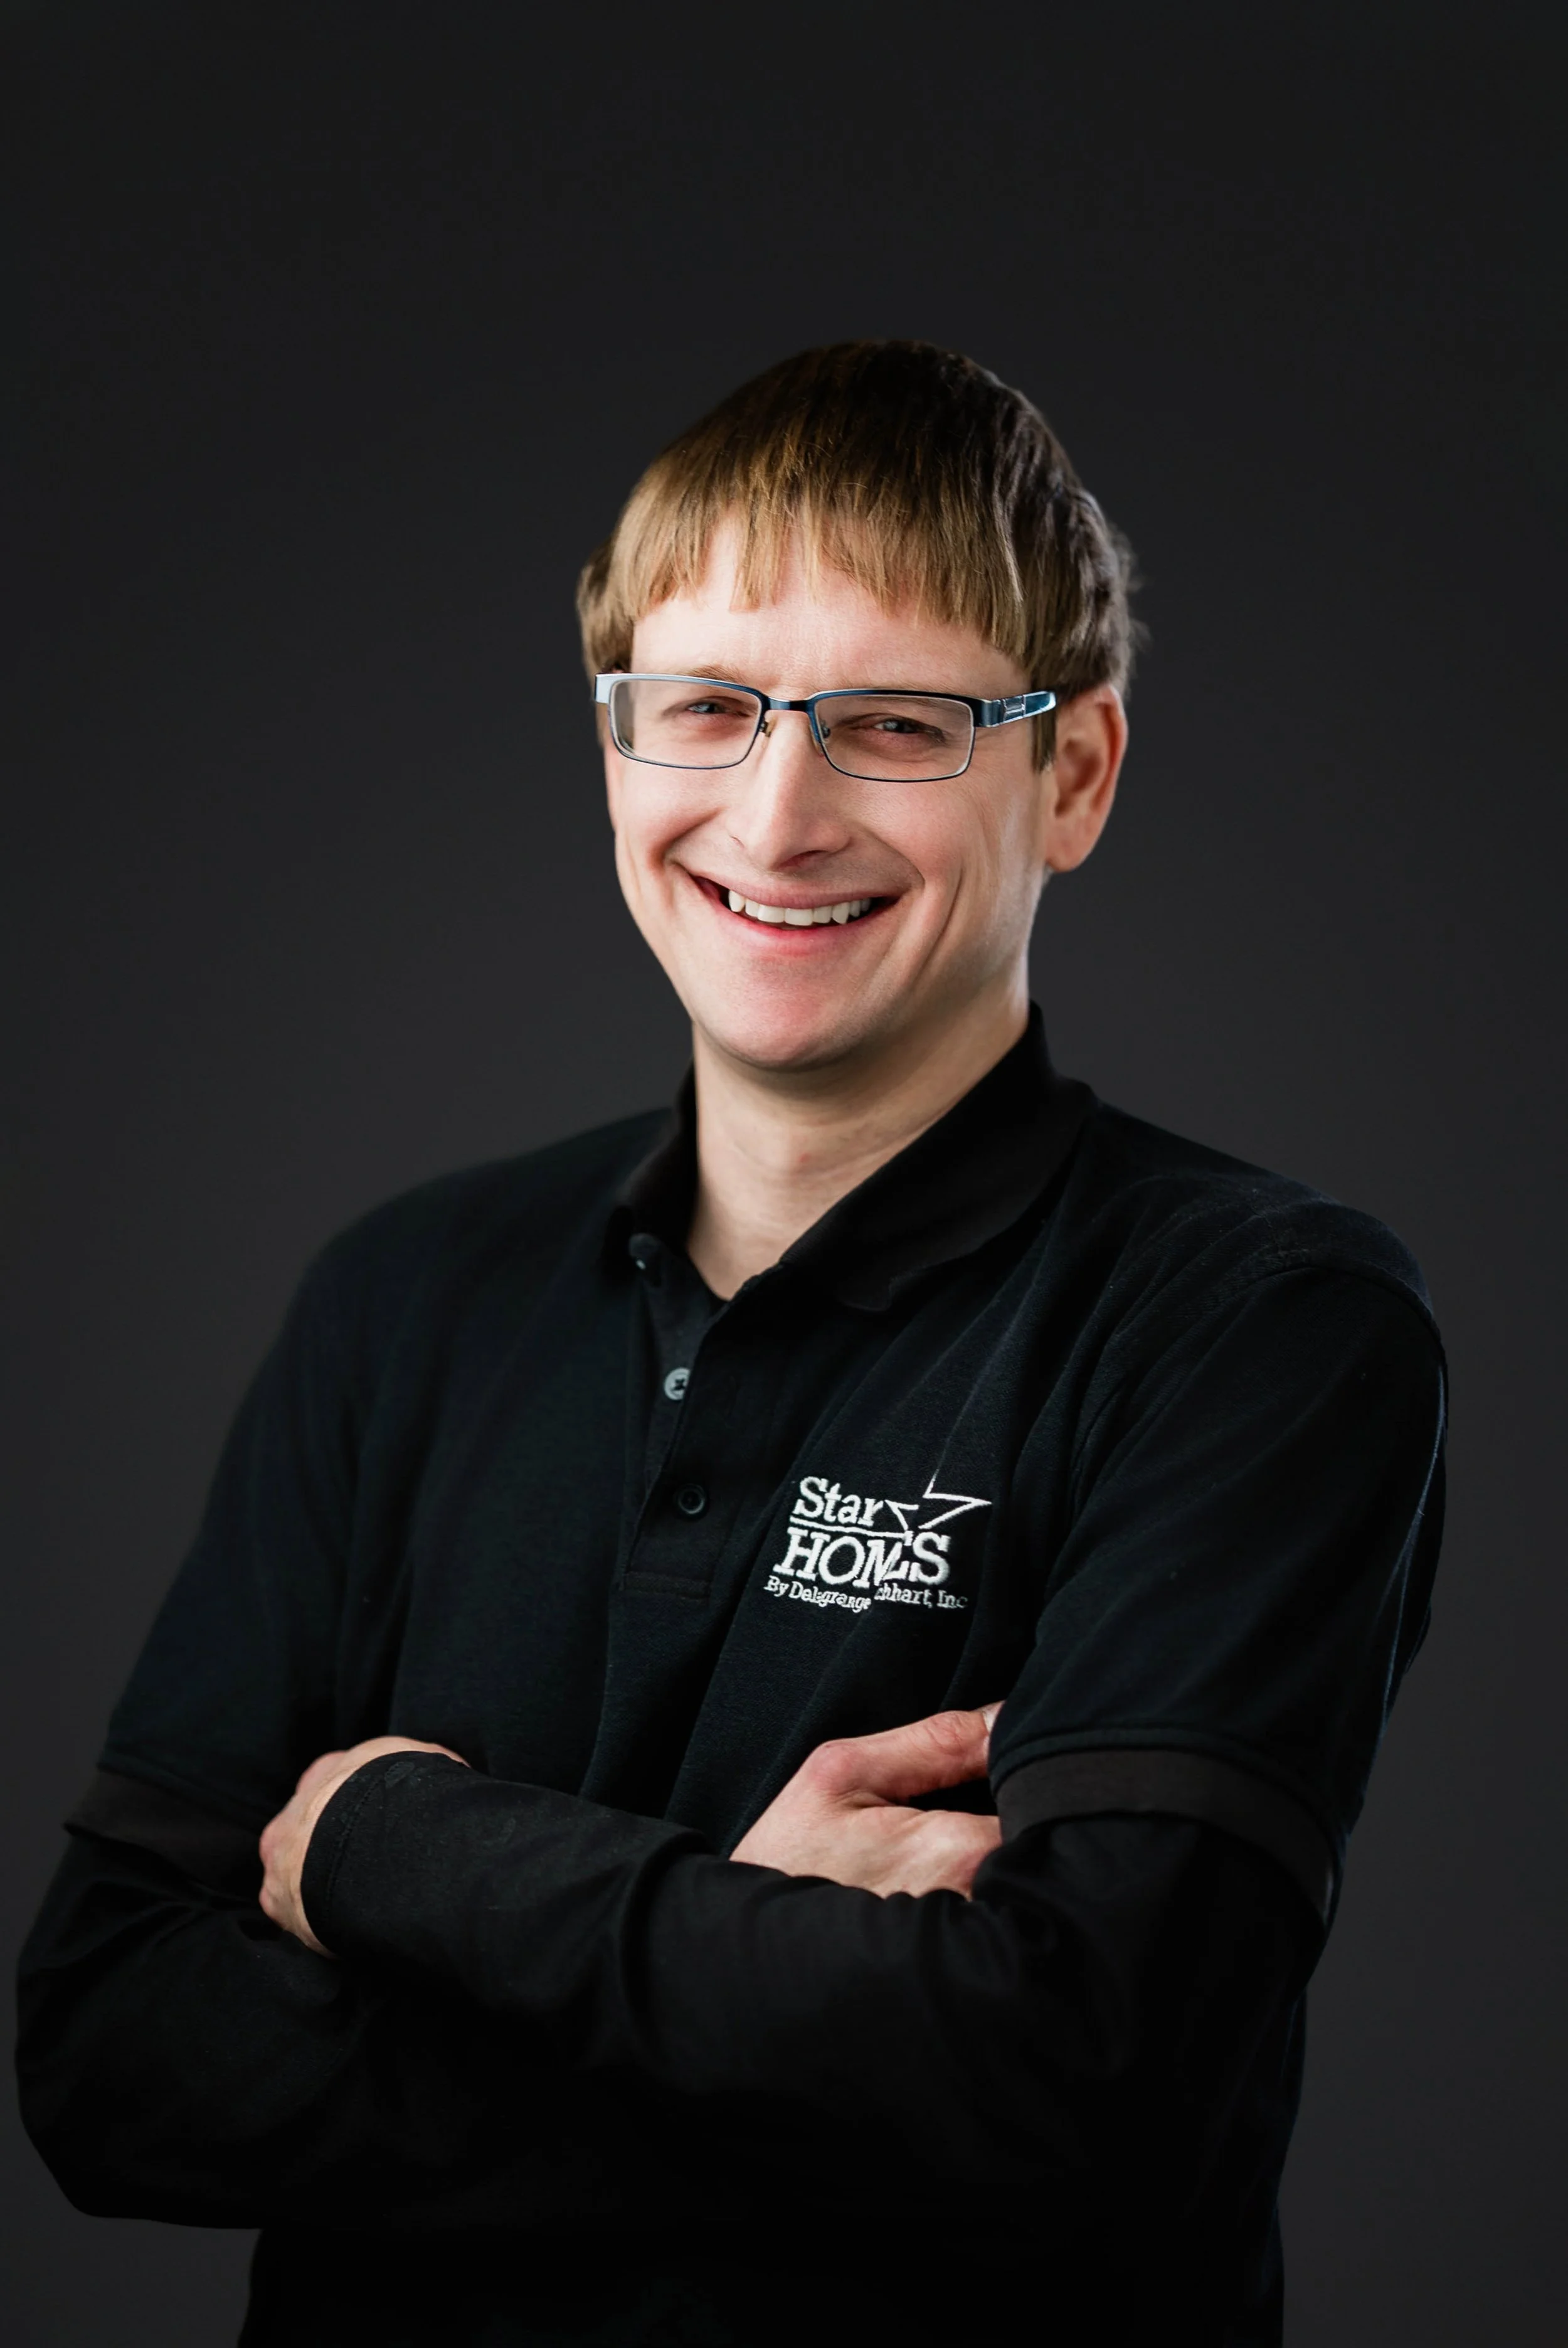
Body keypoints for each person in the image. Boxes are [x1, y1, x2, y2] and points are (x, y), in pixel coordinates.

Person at [18, 341, 1445, 2347]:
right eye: (703, 708)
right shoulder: (405, 1291)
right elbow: (105, 2049)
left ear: (1076, 771)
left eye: (891, 721)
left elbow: (1075, 2085)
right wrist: (751, 1964)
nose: (774, 818)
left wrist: (392, 1842)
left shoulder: (1252, 1321)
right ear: (617, 747)